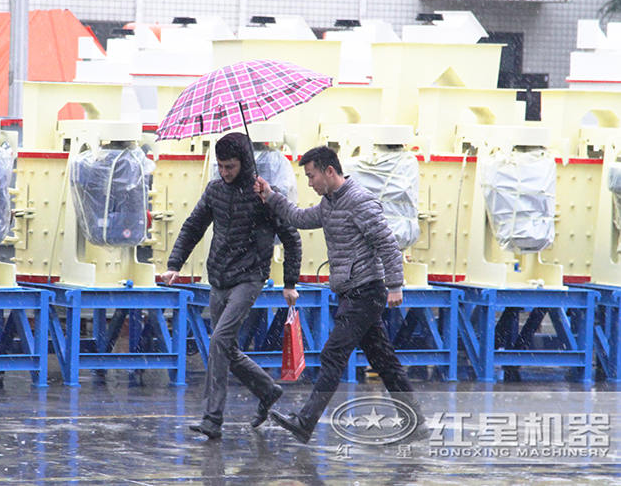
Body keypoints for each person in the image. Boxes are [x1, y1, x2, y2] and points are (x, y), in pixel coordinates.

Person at [254, 145, 428, 444]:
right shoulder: (330, 203)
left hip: (366, 291)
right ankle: (416, 424)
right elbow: (299, 218)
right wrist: (270, 195)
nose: (310, 183)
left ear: (330, 171)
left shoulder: (359, 201)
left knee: (333, 354)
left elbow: (387, 243)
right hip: (352, 291)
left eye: (312, 176)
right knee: (384, 360)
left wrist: (395, 285)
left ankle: (305, 422)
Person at [161, 132, 302, 440]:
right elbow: (193, 226)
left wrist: (290, 282)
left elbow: (292, 238)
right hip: (219, 277)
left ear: (245, 163)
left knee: (219, 340)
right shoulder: (215, 190)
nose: (224, 172)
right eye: (221, 166)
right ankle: (267, 390)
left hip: (250, 277)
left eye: (231, 167)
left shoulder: (264, 195)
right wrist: (174, 264)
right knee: (226, 347)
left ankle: (212, 419)